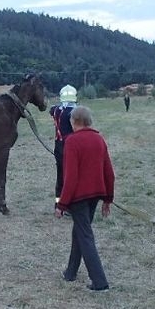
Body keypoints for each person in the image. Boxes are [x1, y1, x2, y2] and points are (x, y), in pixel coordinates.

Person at [55, 106, 114, 290]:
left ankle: (99, 282)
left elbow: (70, 178)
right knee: (80, 232)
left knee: (85, 235)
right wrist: (107, 199)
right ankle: (70, 272)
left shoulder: (72, 142)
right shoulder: (99, 139)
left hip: (79, 198)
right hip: (95, 196)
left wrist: (61, 204)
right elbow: (109, 173)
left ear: (75, 121)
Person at [49, 85, 77, 207]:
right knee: (71, 176)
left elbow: (52, 109)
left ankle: (58, 204)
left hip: (58, 147)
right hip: (71, 147)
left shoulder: (55, 110)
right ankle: (70, 204)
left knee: (60, 176)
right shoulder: (75, 111)